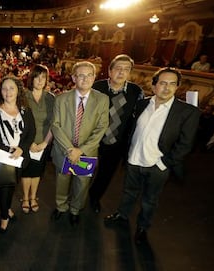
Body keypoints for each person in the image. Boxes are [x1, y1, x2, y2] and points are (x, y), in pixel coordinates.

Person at [104, 67, 201, 245]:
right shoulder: (142, 104)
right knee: (128, 192)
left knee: (150, 200)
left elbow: (186, 144)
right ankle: (122, 215)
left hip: (158, 165)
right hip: (134, 159)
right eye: (163, 83)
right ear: (154, 86)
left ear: (177, 87)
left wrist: (164, 163)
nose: (167, 88)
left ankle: (142, 228)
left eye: (172, 84)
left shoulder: (187, 112)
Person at [51, 61, 109, 226]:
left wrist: (81, 150)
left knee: (82, 184)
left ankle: (75, 209)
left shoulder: (102, 99)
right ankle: (61, 207)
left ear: (94, 77)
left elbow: (101, 127)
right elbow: (55, 125)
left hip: (87, 152)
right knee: (62, 181)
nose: (85, 79)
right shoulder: (61, 99)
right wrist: (70, 149)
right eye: (81, 75)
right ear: (73, 78)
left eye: (89, 75)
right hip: (64, 151)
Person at [89, 54, 144, 213]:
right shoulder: (96, 87)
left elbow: (139, 117)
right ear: (110, 71)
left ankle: (94, 197)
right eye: (118, 69)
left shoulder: (136, 91)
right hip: (93, 139)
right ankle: (77, 197)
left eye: (126, 70)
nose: (122, 72)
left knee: (105, 174)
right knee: (82, 170)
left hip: (117, 142)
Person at [0, 76, 36, 233]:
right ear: (0, 91)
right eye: (4, 88)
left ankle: (6, 207)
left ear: (18, 90)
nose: (8, 92)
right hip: (3, 158)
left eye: (12, 88)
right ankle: (5, 215)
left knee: (12, 184)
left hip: (21, 158)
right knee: (5, 187)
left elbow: (31, 132)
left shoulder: (26, 111)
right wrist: (9, 150)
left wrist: (22, 148)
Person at [20, 64, 55, 213]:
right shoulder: (22, 96)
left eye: (43, 77)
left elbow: (55, 123)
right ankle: (25, 198)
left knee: (37, 173)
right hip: (25, 142)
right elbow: (18, 121)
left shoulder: (51, 98)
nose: (40, 81)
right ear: (31, 79)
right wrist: (29, 143)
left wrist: (45, 143)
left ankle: (33, 197)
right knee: (26, 172)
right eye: (37, 77)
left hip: (43, 142)